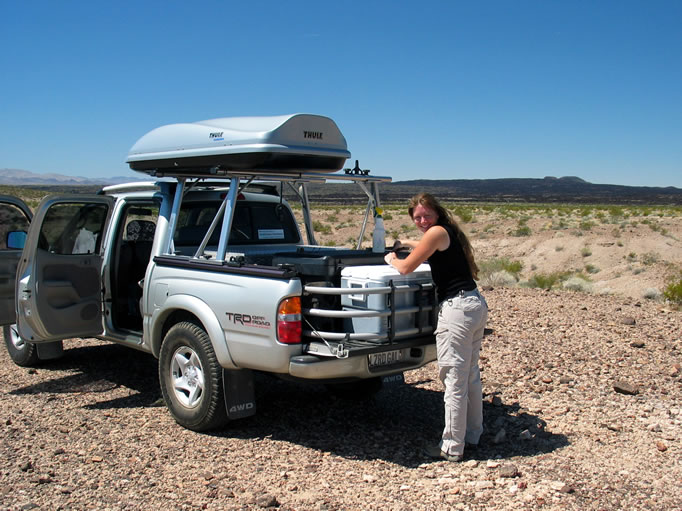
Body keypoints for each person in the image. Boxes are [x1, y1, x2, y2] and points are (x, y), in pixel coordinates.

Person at [384, 192, 487, 462]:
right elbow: (426, 245)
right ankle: (474, 434)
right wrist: (407, 241)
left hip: (457, 311)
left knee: (453, 378)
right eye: (417, 217)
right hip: (474, 304)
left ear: (437, 213)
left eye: (426, 215)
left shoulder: (436, 232)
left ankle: (452, 447)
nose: (422, 220)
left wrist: (391, 260)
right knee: (470, 375)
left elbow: (406, 267)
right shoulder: (446, 231)